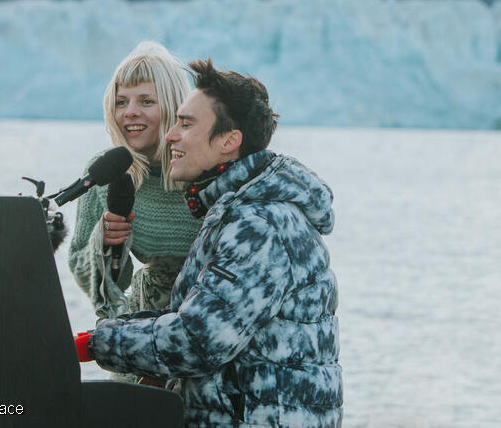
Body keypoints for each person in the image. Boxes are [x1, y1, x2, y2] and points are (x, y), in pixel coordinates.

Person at [74, 59, 343, 427]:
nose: (171, 135)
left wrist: (90, 345)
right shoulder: (236, 209)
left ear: (229, 141)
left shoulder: (258, 225)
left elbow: (198, 340)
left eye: (186, 124)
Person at [68, 41, 203, 322]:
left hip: (210, 319)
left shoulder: (207, 170)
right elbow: (82, 266)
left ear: (175, 106)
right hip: (145, 322)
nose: (129, 112)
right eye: (121, 101)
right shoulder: (107, 173)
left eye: (146, 101)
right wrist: (103, 242)